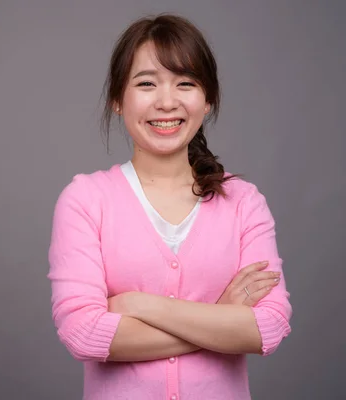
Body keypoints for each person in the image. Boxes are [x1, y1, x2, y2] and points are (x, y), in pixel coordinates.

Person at [47, 14, 292, 400]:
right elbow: (84, 334)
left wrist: (138, 305)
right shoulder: (86, 200)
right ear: (117, 99)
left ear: (207, 99)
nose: (166, 102)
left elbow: (269, 328)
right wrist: (221, 314)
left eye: (186, 83)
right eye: (146, 84)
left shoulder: (244, 201)